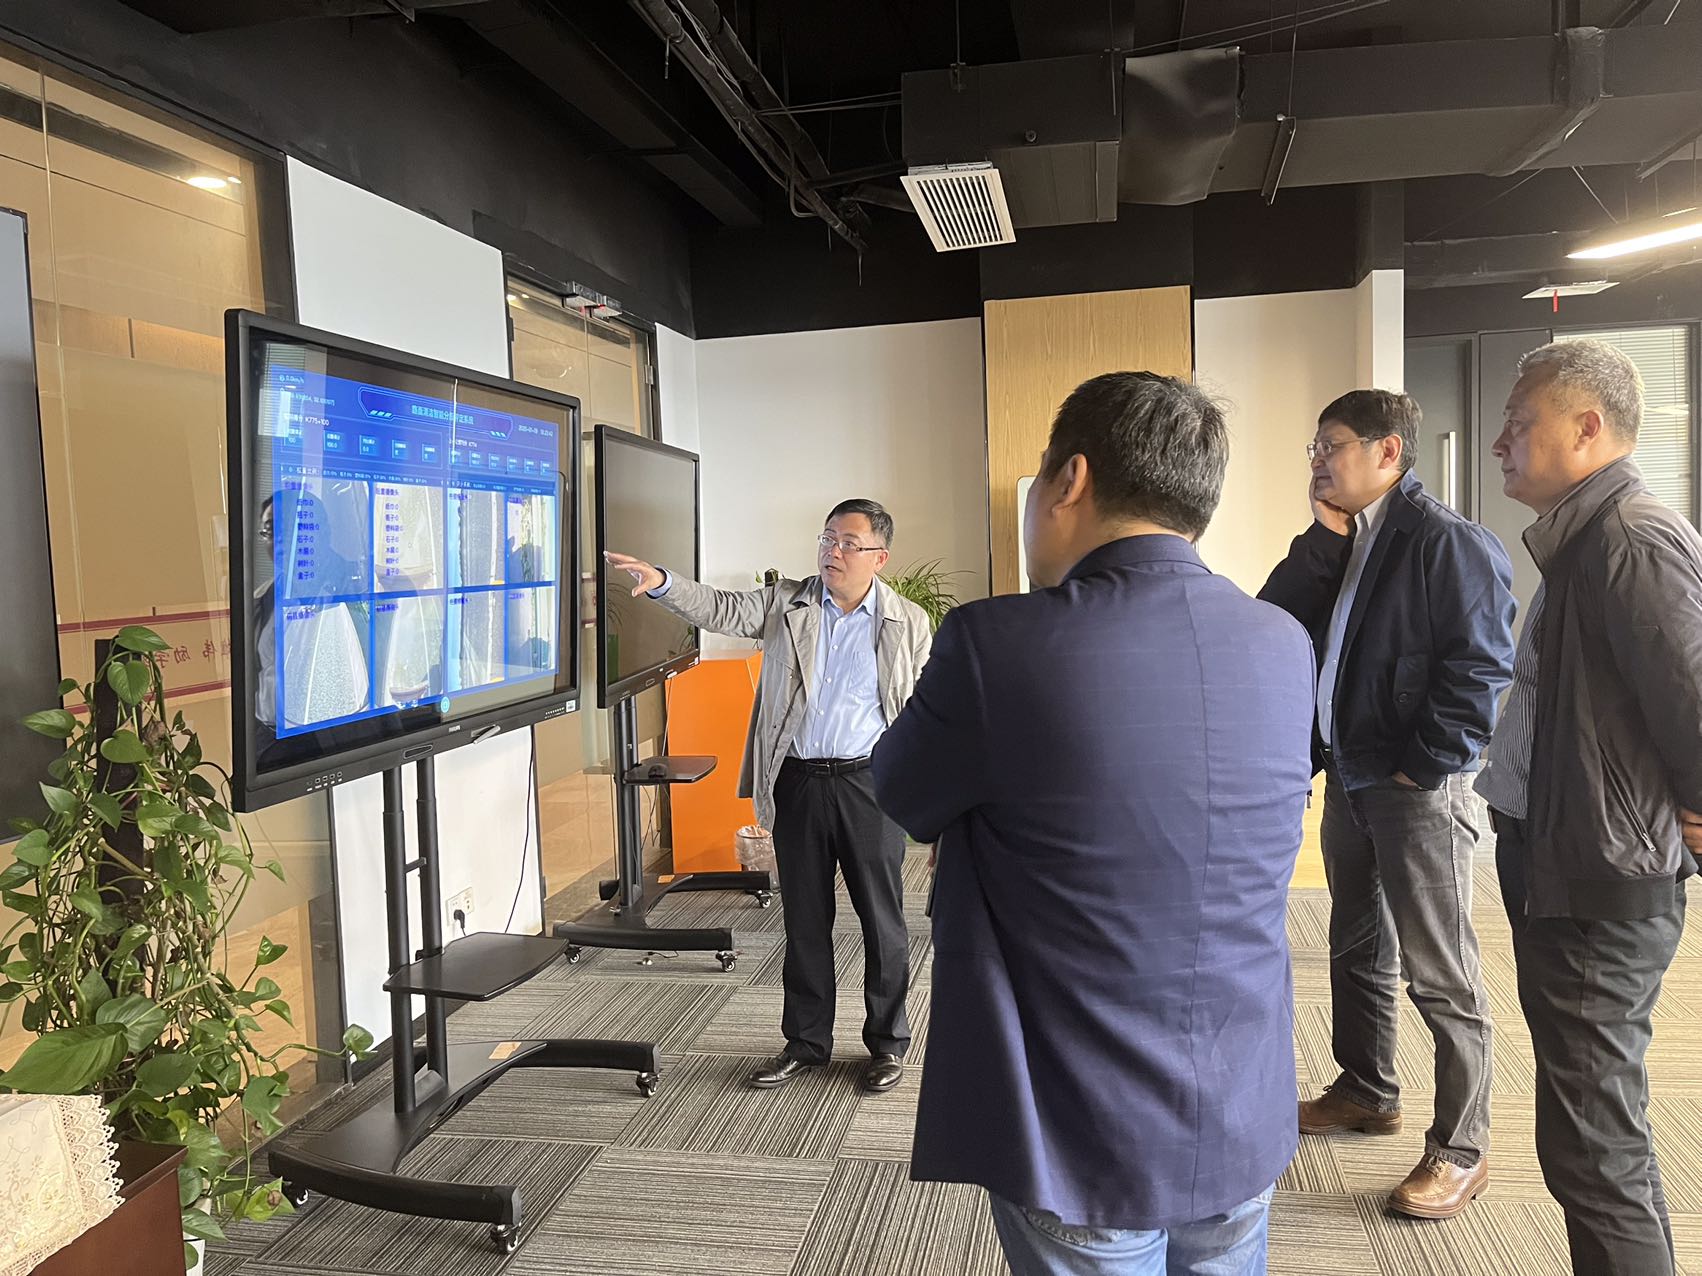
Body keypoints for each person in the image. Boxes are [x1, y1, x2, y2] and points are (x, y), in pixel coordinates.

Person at [873, 372, 1314, 1275]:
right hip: (1240, 1095)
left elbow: (903, 792)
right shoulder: (1283, 641)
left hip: (1080, 1117)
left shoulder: (997, 644)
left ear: (1067, 480)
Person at [1259, 390, 1515, 1219]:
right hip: (1350, 775)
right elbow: (1273, 621)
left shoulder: (1446, 541)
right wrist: (1322, 541)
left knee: (1442, 974)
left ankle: (1462, 1149)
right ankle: (1366, 1089)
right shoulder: (1348, 539)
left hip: (1414, 791)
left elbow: (1481, 667)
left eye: (1330, 445)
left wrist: (1421, 768)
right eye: (1313, 447)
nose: (1317, 460)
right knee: (1357, 946)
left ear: (1389, 452)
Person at [1478, 339, 1702, 1275]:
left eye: (1518, 423)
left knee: (1591, 1151)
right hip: (1569, 865)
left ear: (1586, 427)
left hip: (1602, 885)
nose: (1499, 442)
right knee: (1598, 1136)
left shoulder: (1630, 539)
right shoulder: (1584, 538)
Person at [606, 499, 932, 1095]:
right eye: (827, 539)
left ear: (879, 557)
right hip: (798, 781)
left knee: (882, 920)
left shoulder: (907, 621)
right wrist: (662, 583)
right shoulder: (788, 603)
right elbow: (721, 608)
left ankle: (887, 1043)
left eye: (848, 543)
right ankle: (806, 1043)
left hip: (870, 784)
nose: (832, 551)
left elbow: (921, 710)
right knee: (805, 920)